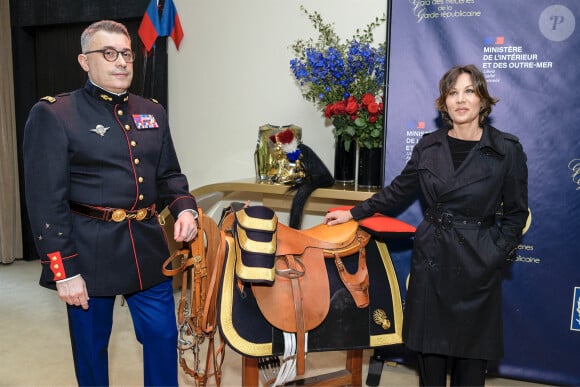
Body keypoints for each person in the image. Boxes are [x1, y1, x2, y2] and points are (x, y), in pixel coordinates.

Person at [325, 64, 528, 386]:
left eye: (469, 91)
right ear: (444, 102)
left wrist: (494, 253)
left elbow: (517, 213)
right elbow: (397, 192)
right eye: (453, 92)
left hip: (478, 260)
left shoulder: (506, 150)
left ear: (482, 100)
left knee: (471, 361)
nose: (461, 100)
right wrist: (355, 212)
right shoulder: (428, 146)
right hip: (433, 257)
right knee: (430, 356)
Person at [23, 20, 198, 386]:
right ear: (84, 62)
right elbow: (45, 201)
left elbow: (168, 175)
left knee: (163, 339)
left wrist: (184, 206)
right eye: (108, 53)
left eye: (126, 53)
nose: (121, 62)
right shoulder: (55, 113)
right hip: (88, 254)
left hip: (148, 250)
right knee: (91, 350)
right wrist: (63, 271)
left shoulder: (152, 111)